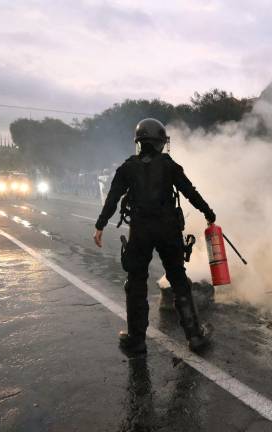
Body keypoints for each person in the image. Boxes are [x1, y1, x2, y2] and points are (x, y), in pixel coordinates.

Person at [93, 118, 216, 354]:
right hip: (168, 229)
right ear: (160, 142)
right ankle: (195, 337)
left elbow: (113, 198)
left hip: (140, 231)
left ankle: (136, 340)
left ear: (139, 142)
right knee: (178, 280)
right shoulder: (169, 165)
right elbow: (190, 192)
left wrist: (100, 225)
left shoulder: (127, 167)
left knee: (136, 282)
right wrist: (209, 214)